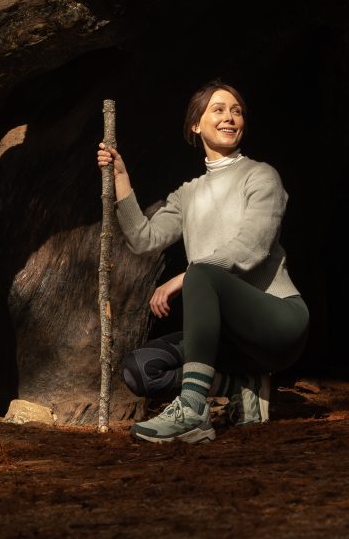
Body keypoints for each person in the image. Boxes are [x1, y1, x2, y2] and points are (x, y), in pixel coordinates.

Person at [96, 79, 309, 444]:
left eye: (236, 111)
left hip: (277, 321)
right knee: (140, 370)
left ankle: (193, 411)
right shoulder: (188, 194)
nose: (229, 117)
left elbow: (251, 247)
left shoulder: (262, 176)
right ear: (196, 124)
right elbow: (144, 240)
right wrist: (120, 178)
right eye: (219, 109)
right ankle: (243, 387)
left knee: (202, 274)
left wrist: (187, 276)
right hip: (227, 338)